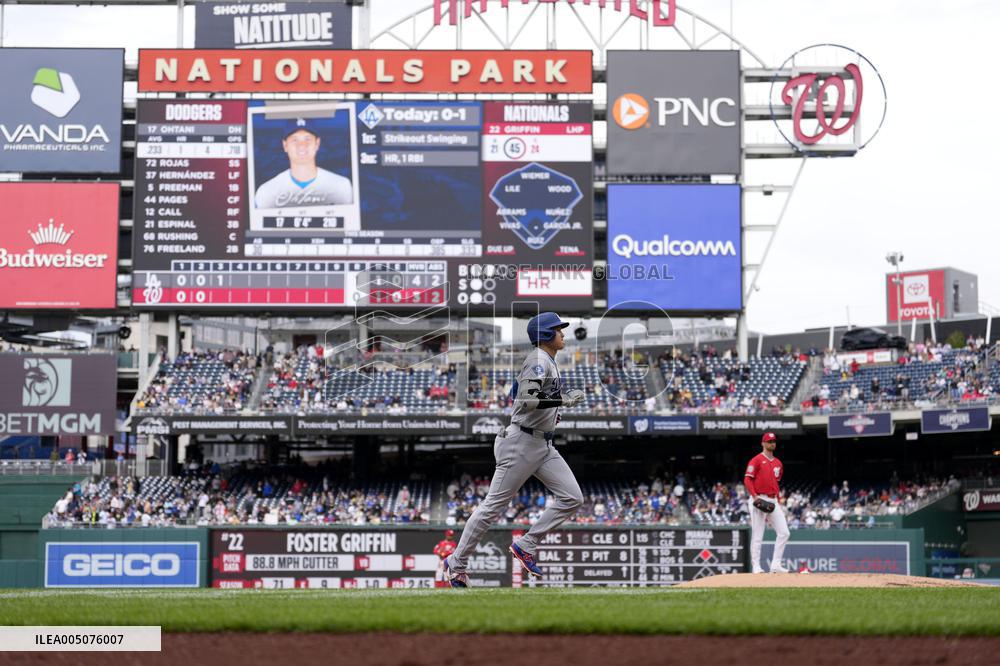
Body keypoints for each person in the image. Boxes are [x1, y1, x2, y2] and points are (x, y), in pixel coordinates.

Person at [443, 312, 586, 587]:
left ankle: (526, 545)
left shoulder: (545, 361)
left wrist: (556, 406)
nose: (563, 334)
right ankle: (457, 562)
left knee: (572, 497)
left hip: (542, 444)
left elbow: (515, 392)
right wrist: (562, 400)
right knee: (491, 507)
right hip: (521, 443)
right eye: (558, 330)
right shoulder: (538, 359)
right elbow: (528, 400)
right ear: (546, 335)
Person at [254, 118, 353, 209]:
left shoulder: (341, 187)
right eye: (295, 139)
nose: (302, 145)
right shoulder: (266, 192)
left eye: (307, 139)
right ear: (285, 145)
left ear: (317, 143)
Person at [744, 432, 790, 574]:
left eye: (774, 441)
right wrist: (755, 497)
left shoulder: (778, 463)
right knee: (758, 534)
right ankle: (756, 566)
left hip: (772, 500)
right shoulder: (756, 460)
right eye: (769, 441)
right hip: (759, 498)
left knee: (784, 533)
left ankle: (775, 565)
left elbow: (776, 482)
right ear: (763, 443)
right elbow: (747, 479)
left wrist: (777, 498)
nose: (772, 443)